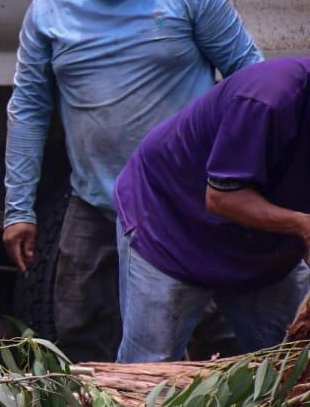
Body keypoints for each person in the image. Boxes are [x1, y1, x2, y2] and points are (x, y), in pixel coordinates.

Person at [2, 0, 262, 362]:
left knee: (211, 332)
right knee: (79, 329)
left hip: (182, 205)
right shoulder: (50, 10)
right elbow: (29, 109)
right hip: (96, 203)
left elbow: (254, 85)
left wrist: (243, 183)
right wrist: (19, 209)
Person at [112, 57, 310, 362]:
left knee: (292, 364)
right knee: (150, 373)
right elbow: (222, 198)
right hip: (170, 225)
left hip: (264, 245)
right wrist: (302, 225)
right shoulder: (267, 98)